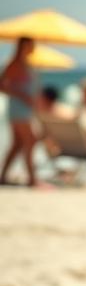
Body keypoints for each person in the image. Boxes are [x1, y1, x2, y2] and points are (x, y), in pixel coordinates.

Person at [0, 37, 39, 186]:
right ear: (23, 46)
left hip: (23, 108)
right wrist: (21, 95)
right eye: (30, 44)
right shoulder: (15, 64)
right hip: (18, 107)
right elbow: (2, 85)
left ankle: (3, 176)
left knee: (17, 144)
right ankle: (32, 178)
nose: (33, 47)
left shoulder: (25, 64)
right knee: (31, 140)